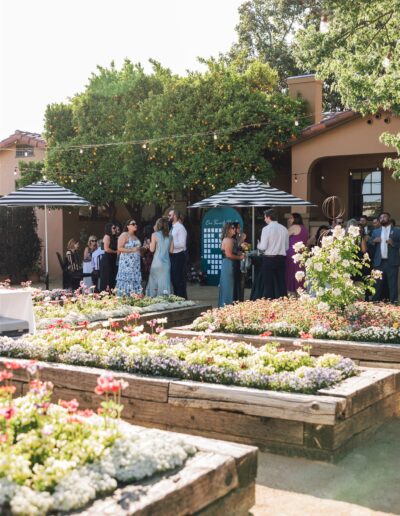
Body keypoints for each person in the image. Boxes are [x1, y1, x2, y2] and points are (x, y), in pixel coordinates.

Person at [368, 212, 400, 304]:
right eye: (381, 217)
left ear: (389, 218)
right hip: (379, 263)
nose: (382, 218)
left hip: (392, 263)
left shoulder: (397, 231)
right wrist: (373, 241)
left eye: (384, 217)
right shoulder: (375, 231)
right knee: (377, 284)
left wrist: (393, 243)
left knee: (392, 285)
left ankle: (394, 303)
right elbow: (369, 243)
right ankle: (375, 302)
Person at [257, 209, 289, 299]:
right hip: (281, 259)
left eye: (265, 217)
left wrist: (258, 245)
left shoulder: (266, 229)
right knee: (281, 284)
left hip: (269, 259)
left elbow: (263, 247)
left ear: (268, 217)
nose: (264, 220)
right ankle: (283, 304)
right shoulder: (284, 229)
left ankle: (269, 306)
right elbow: (286, 247)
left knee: (268, 285)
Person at [218, 223, 243, 307]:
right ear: (228, 229)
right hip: (230, 265)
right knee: (229, 286)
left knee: (229, 285)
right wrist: (240, 257)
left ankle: (227, 305)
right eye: (232, 228)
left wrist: (238, 252)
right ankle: (228, 305)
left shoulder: (229, 239)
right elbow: (229, 255)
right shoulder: (228, 240)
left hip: (228, 265)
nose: (234, 229)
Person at [146, 218, 172, 297]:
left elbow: (152, 249)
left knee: (154, 281)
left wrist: (149, 243)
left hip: (157, 261)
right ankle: (165, 297)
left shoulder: (154, 235)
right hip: (166, 262)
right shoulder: (170, 236)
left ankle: (153, 297)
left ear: (158, 225)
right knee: (165, 281)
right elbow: (171, 251)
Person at [115, 219, 142, 296]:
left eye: (136, 223)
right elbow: (119, 248)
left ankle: (135, 297)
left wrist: (143, 248)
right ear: (128, 226)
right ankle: (124, 297)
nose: (135, 225)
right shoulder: (124, 235)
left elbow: (138, 250)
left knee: (135, 280)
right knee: (126, 280)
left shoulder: (136, 237)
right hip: (126, 264)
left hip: (136, 264)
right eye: (133, 224)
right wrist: (131, 250)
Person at [286, 213, 309, 294]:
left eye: (291, 218)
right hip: (301, 254)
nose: (289, 219)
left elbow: (283, 236)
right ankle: (301, 292)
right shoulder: (304, 228)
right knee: (300, 273)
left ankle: (292, 292)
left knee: (292, 273)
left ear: (295, 219)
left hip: (292, 254)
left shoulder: (294, 227)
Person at [168, 209, 188, 299]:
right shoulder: (172, 227)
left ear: (174, 216)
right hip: (172, 256)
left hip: (179, 256)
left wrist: (169, 245)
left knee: (179, 279)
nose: (168, 217)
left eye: (170, 215)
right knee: (174, 279)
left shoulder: (180, 228)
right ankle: (176, 298)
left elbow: (182, 244)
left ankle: (181, 298)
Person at [99, 223, 118, 292]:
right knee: (107, 278)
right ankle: (105, 294)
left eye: (115, 228)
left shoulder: (114, 237)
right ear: (109, 228)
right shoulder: (107, 236)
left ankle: (111, 293)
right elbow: (106, 249)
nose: (115, 229)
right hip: (107, 260)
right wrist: (115, 252)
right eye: (113, 228)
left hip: (112, 260)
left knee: (112, 278)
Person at [232, 222, 247, 302]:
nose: (239, 229)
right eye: (238, 228)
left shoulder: (238, 236)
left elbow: (241, 248)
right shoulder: (232, 238)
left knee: (239, 280)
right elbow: (234, 250)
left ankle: (239, 298)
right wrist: (241, 241)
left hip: (239, 261)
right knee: (236, 281)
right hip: (235, 261)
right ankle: (236, 298)